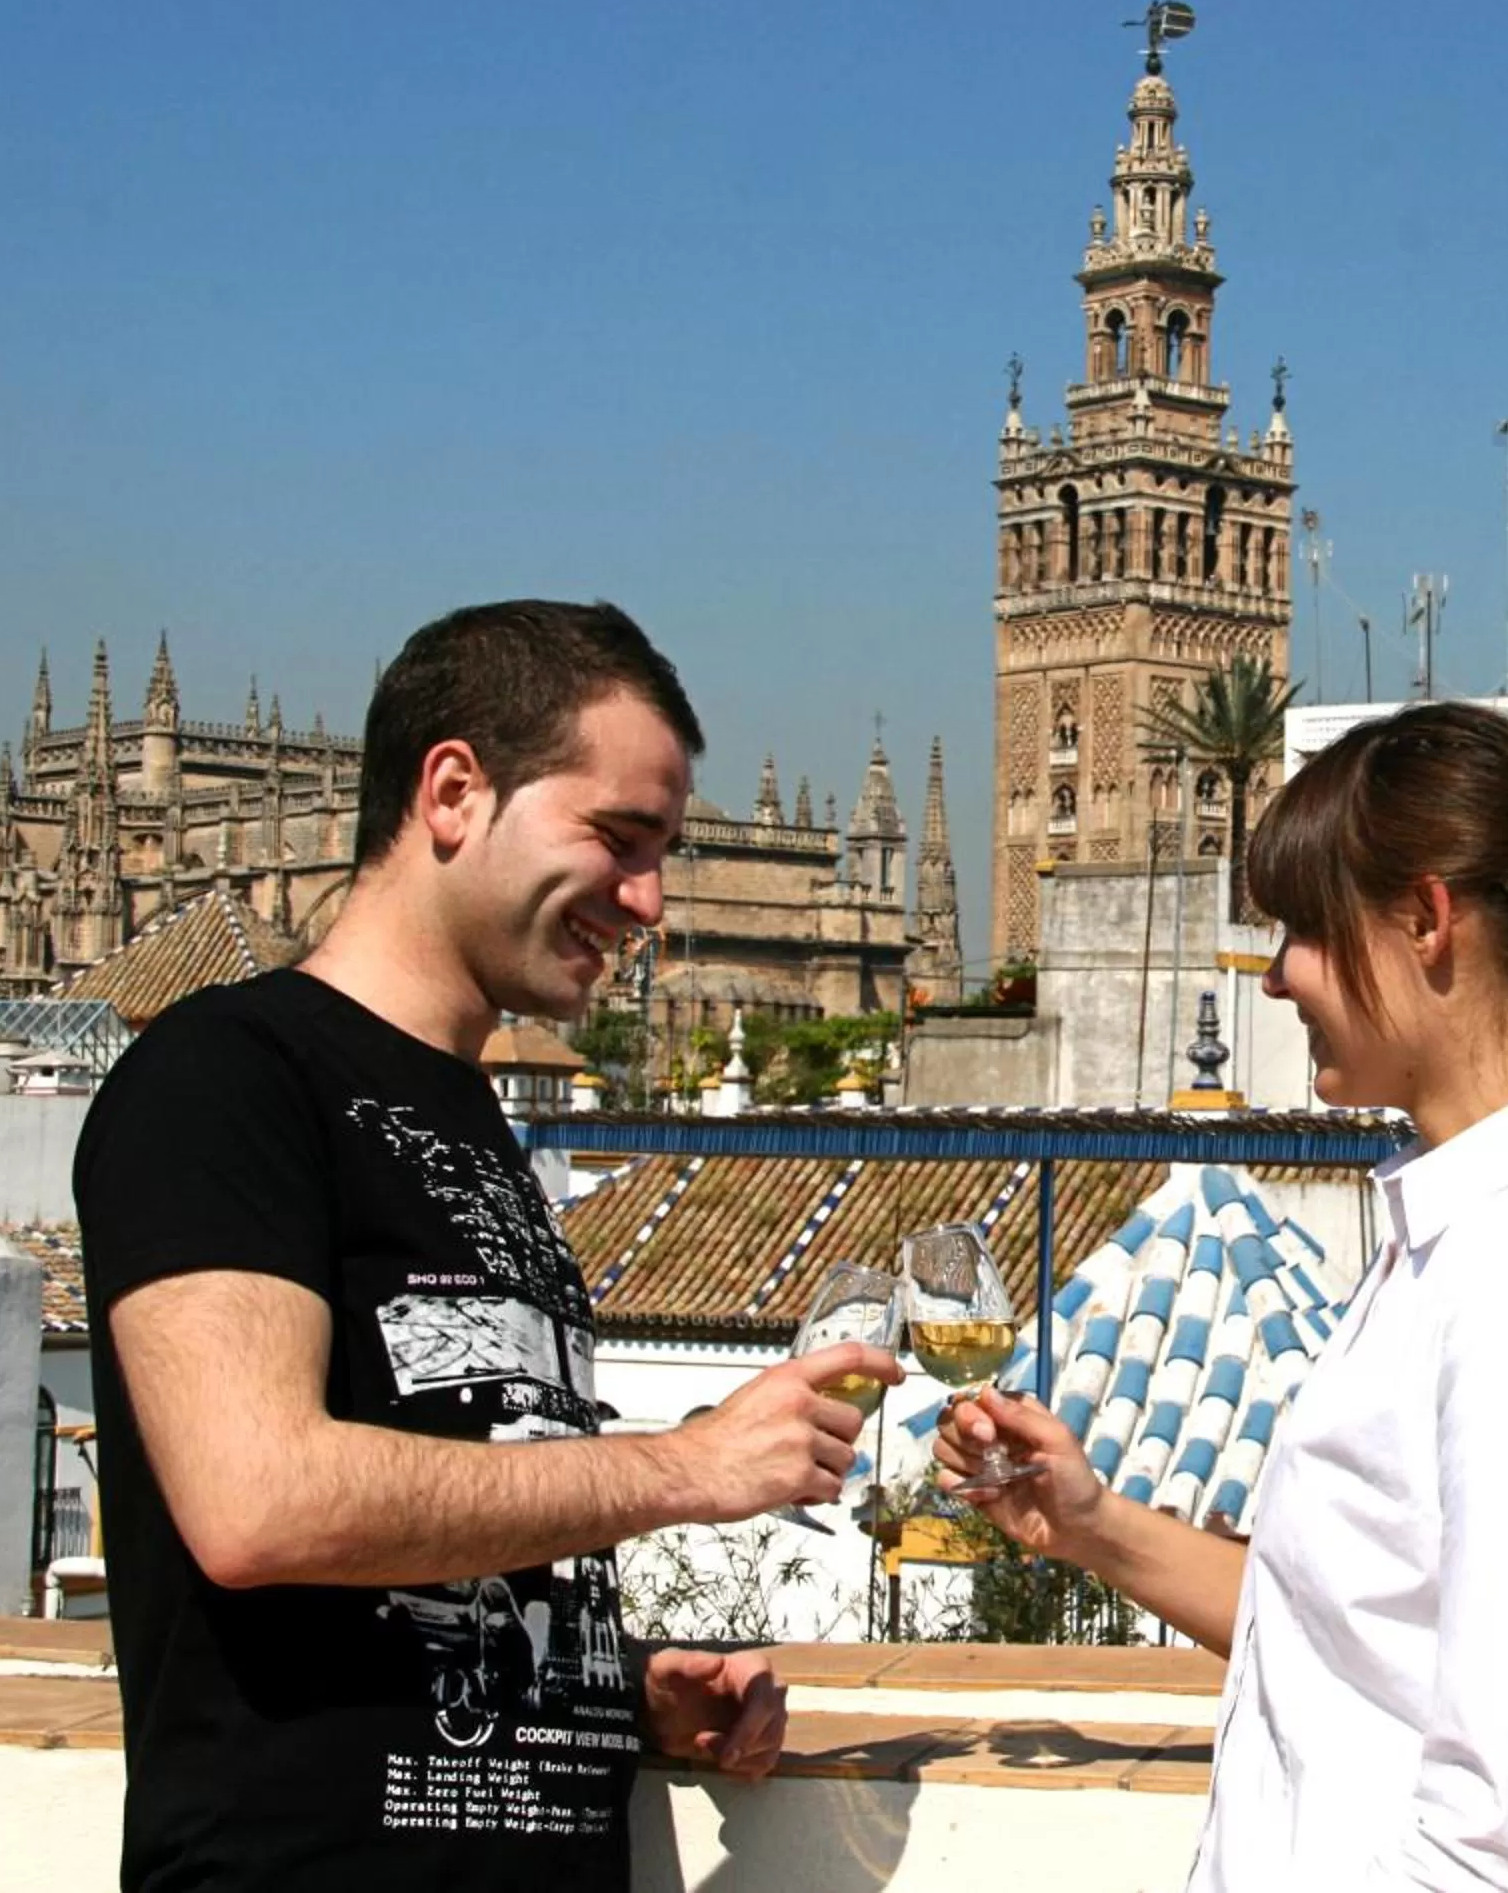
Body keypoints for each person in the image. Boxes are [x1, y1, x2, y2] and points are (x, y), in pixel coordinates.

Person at [76, 600, 899, 1892]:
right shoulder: (227, 1076)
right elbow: (258, 1501)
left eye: (667, 852)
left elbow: (419, 1557)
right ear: (454, 790)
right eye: (619, 839)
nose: (649, 901)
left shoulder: (476, 1130)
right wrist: (684, 1464)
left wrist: (599, 1694)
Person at [937, 700, 1508, 1890]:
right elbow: (1351, 1630)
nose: (1276, 976)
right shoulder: (1474, 1235)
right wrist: (1089, 1520)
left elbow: (1502, 1836)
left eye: (1304, 927)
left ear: (1424, 917)